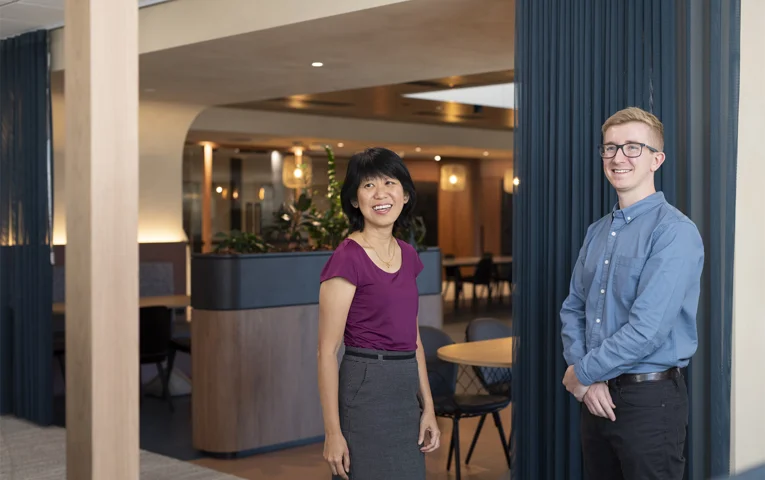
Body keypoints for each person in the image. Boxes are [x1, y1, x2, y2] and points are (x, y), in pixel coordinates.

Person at [560, 107, 704, 480]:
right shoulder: (596, 232)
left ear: (657, 159)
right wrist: (587, 378)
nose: (618, 157)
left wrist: (582, 373)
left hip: (649, 402)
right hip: (595, 396)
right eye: (610, 147)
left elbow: (647, 330)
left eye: (632, 147)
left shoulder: (674, 232)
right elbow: (573, 308)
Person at [317, 147, 441, 480]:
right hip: (366, 388)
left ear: (405, 195)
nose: (381, 193)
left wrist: (428, 407)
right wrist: (332, 432)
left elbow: (414, 340)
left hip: (405, 390)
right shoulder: (348, 257)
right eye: (369, 185)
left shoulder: (408, 255)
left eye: (389, 183)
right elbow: (326, 351)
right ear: (354, 199)